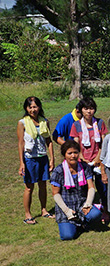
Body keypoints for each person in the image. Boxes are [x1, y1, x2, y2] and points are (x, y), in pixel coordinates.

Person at [50, 140, 102, 240]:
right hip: (66, 207)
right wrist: (67, 211)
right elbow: (55, 194)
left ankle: (82, 223)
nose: (73, 156)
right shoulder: (58, 171)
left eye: (75, 153)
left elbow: (91, 187)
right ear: (64, 155)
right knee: (67, 236)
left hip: (81, 204)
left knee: (96, 214)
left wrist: (88, 204)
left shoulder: (84, 167)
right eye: (69, 153)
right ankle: (74, 224)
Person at [17, 96, 55, 224]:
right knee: (29, 187)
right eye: (30, 107)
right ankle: (28, 215)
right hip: (29, 159)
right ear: (26, 109)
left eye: (35, 106)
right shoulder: (22, 123)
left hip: (42, 157)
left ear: (39, 107)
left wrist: (52, 159)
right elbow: (21, 143)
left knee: (43, 185)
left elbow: (49, 141)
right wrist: (22, 163)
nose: (33, 109)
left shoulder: (44, 121)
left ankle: (44, 210)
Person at [70, 97, 108, 206]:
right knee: (84, 186)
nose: (88, 111)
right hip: (83, 161)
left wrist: (98, 158)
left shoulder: (100, 123)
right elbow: (76, 145)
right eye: (86, 108)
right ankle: (86, 207)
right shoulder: (76, 125)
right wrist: (82, 158)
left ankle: (105, 208)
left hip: (98, 160)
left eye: (91, 108)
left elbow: (103, 143)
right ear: (81, 110)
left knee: (102, 186)